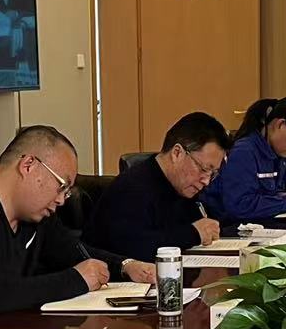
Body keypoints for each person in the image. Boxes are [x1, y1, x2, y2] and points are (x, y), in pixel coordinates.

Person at [0, 126, 155, 329]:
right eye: (61, 186)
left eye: (67, 192)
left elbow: (74, 253)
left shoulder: (34, 214)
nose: (61, 200)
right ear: (28, 165)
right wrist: (77, 279)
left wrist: (126, 265)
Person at [85, 112, 230, 262]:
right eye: (204, 169)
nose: (206, 181)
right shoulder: (132, 188)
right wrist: (193, 233)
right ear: (177, 153)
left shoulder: (184, 187)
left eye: (213, 173)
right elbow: (135, 248)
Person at [202, 95, 286, 224]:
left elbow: (268, 194)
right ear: (280, 124)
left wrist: (284, 197)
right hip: (229, 228)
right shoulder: (244, 151)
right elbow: (240, 206)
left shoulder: (278, 154)